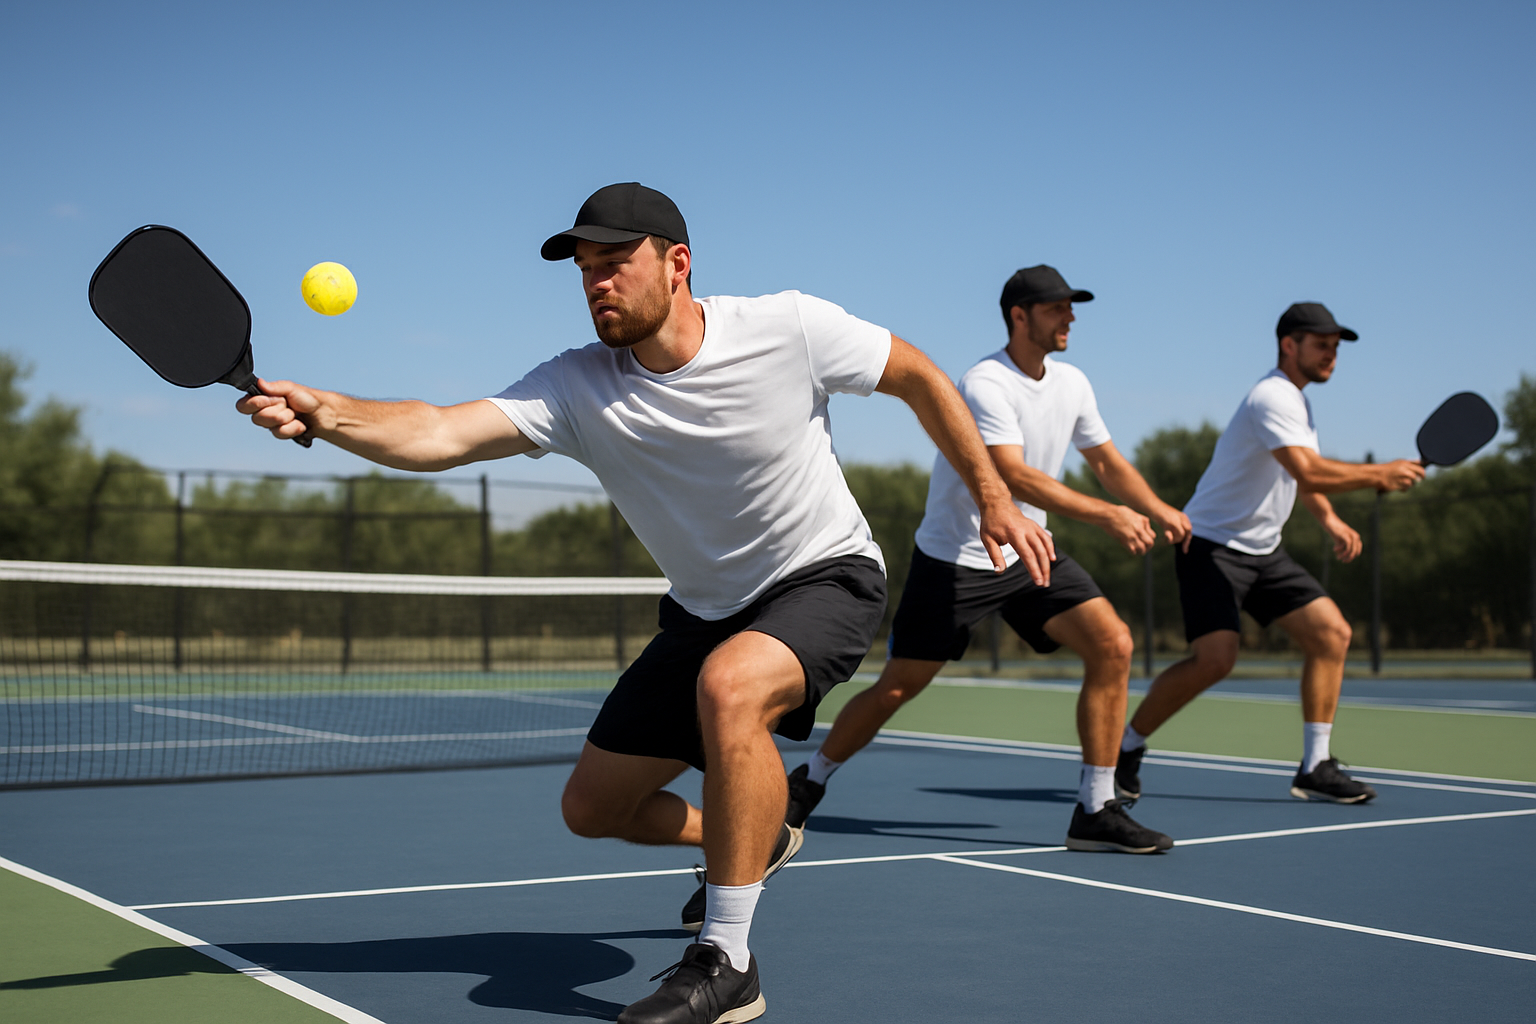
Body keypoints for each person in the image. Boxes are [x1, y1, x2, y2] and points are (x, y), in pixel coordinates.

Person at [237, 182, 1051, 1024]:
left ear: (677, 263)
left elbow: (919, 375)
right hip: (704, 610)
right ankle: (754, 837)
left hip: (824, 574)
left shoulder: (789, 327)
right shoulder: (578, 386)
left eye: (614, 262)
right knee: (594, 810)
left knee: (732, 689)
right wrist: (328, 414)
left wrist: (992, 496)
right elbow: (439, 432)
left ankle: (727, 961)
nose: (596, 282)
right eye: (585, 268)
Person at [786, 265, 1190, 855]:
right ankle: (812, 777)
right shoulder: (985, 383)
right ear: (1019, 316)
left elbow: (1105, 460)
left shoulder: (1072, 383)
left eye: (1071, 307)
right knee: (898, 688)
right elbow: (1014, 472)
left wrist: (1157, 507)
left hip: (1030, 552)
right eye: (1057, 308)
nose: (1070, 317)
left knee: (1114, 644)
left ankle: (1096, 807)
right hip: (955, 560)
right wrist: (1108, 515)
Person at [1115, 302, 1424, 805]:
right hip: (1211, 545)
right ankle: (1127, 748)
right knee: (1215, 660)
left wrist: (1328, 519)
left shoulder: (1298, 403)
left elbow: (1299, 472)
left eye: (1336, 348)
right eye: (1322, 345)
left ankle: (1316, 765)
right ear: (1290, 345)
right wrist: (1379, 474)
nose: (1332, 356)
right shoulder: (1271, 397)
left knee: (1332, 634)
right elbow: (1311, 470)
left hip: (1264, 550)